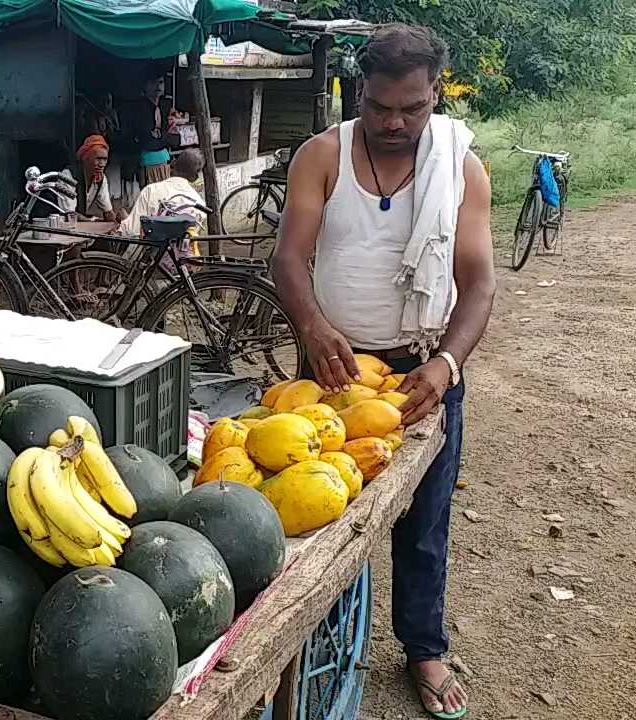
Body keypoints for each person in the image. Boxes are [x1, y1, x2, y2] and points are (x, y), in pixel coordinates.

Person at [271, 24, 495, 720]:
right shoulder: (321, 156)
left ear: (436, 97)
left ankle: (424, 649)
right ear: (357, 93)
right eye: (380, 108)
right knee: (316, 519)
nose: (396, 123)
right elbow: (287, 257)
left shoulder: (461, 168)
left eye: (414, 108)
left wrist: (448, 364)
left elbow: (479, 282)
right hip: (332, 373)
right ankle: (315, 635)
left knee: (424, 523)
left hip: (422, 373)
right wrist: (312, 326)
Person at [126, 71, 173, 187]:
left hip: (164, 160)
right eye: (153, 83)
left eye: (161, 82)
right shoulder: (140, 109)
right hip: (147, 163)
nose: (158, 86)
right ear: (145, 86)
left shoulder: (163, 107)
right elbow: (146, 141)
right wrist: (167, 139)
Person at [75, 134, 119, 222]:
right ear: (86, 158)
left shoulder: (101, 179)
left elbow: (108, 212)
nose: (102, 164)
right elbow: (70, 215)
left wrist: (119, 221)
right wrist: (93, 221)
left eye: (105, 159)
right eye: (98, 159)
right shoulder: (70, 175)